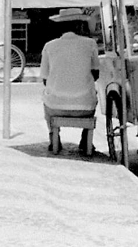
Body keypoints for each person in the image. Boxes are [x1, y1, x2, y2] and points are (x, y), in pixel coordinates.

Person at [40, 8, 100, 152]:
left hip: (55, 106)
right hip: (84, 107)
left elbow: (45, 79)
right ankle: (85, 139)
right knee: (92, 95)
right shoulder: (90, 44)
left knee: (46, 97)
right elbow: (96, 73)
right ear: (79, 25)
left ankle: (53, 136)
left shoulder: (49, 46)